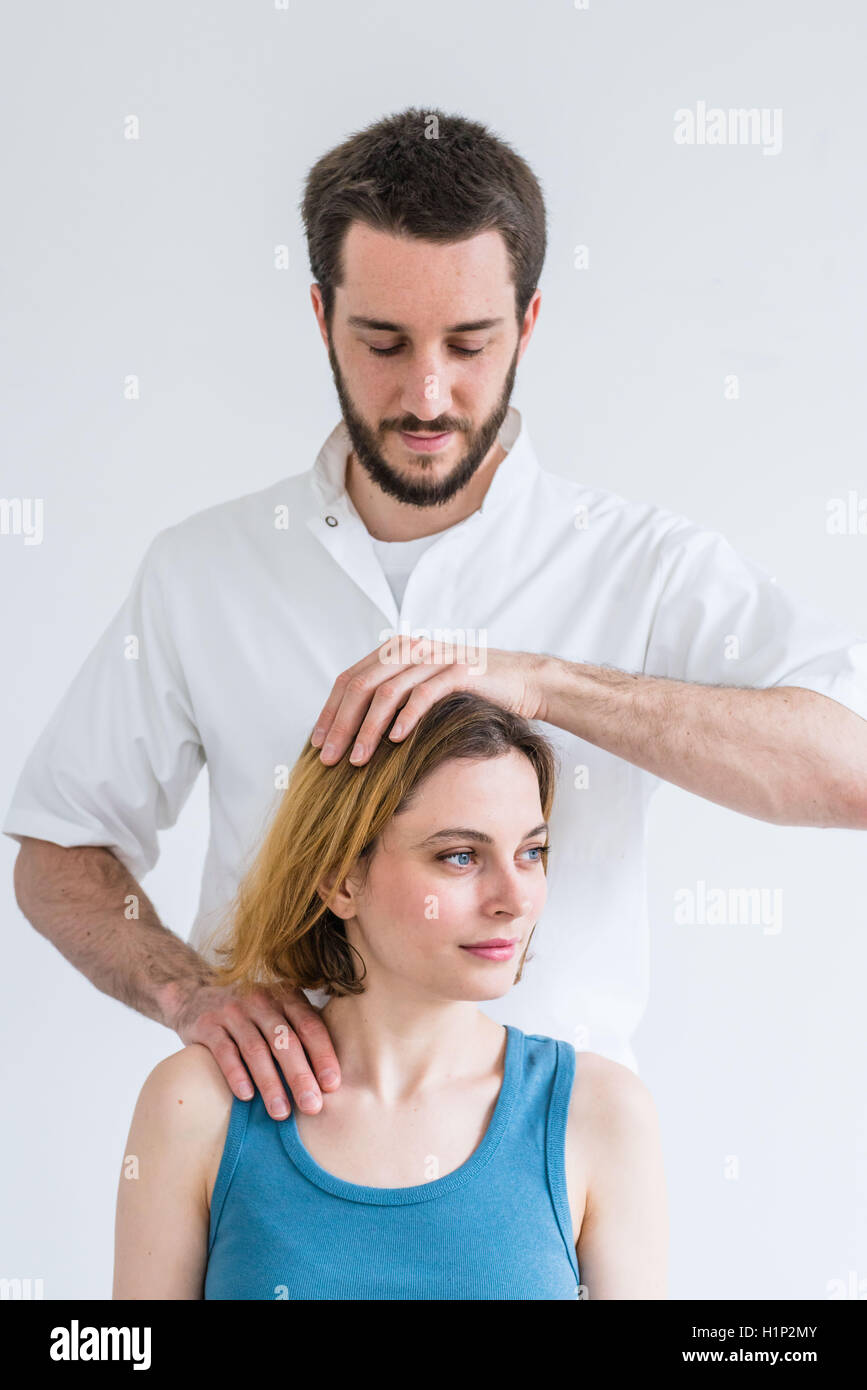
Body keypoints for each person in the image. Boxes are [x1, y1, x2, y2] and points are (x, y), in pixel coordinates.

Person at [7, 108, 867, 1125]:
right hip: (268, 1156)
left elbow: (849, 771)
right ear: (321, 317)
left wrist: (543, 683)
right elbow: (59, 848)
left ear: (529, 326)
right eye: (383, 342)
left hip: (554, 1181)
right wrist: (187, 991)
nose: (426, 394)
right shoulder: (203, 569)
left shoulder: (643, 563)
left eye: (469, 344)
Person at [112, 691, 668, 1300]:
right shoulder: (200, 1103)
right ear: (339, 879)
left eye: (530, 852)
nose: (515, 898)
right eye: (461, 856)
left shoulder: (601, 1111)